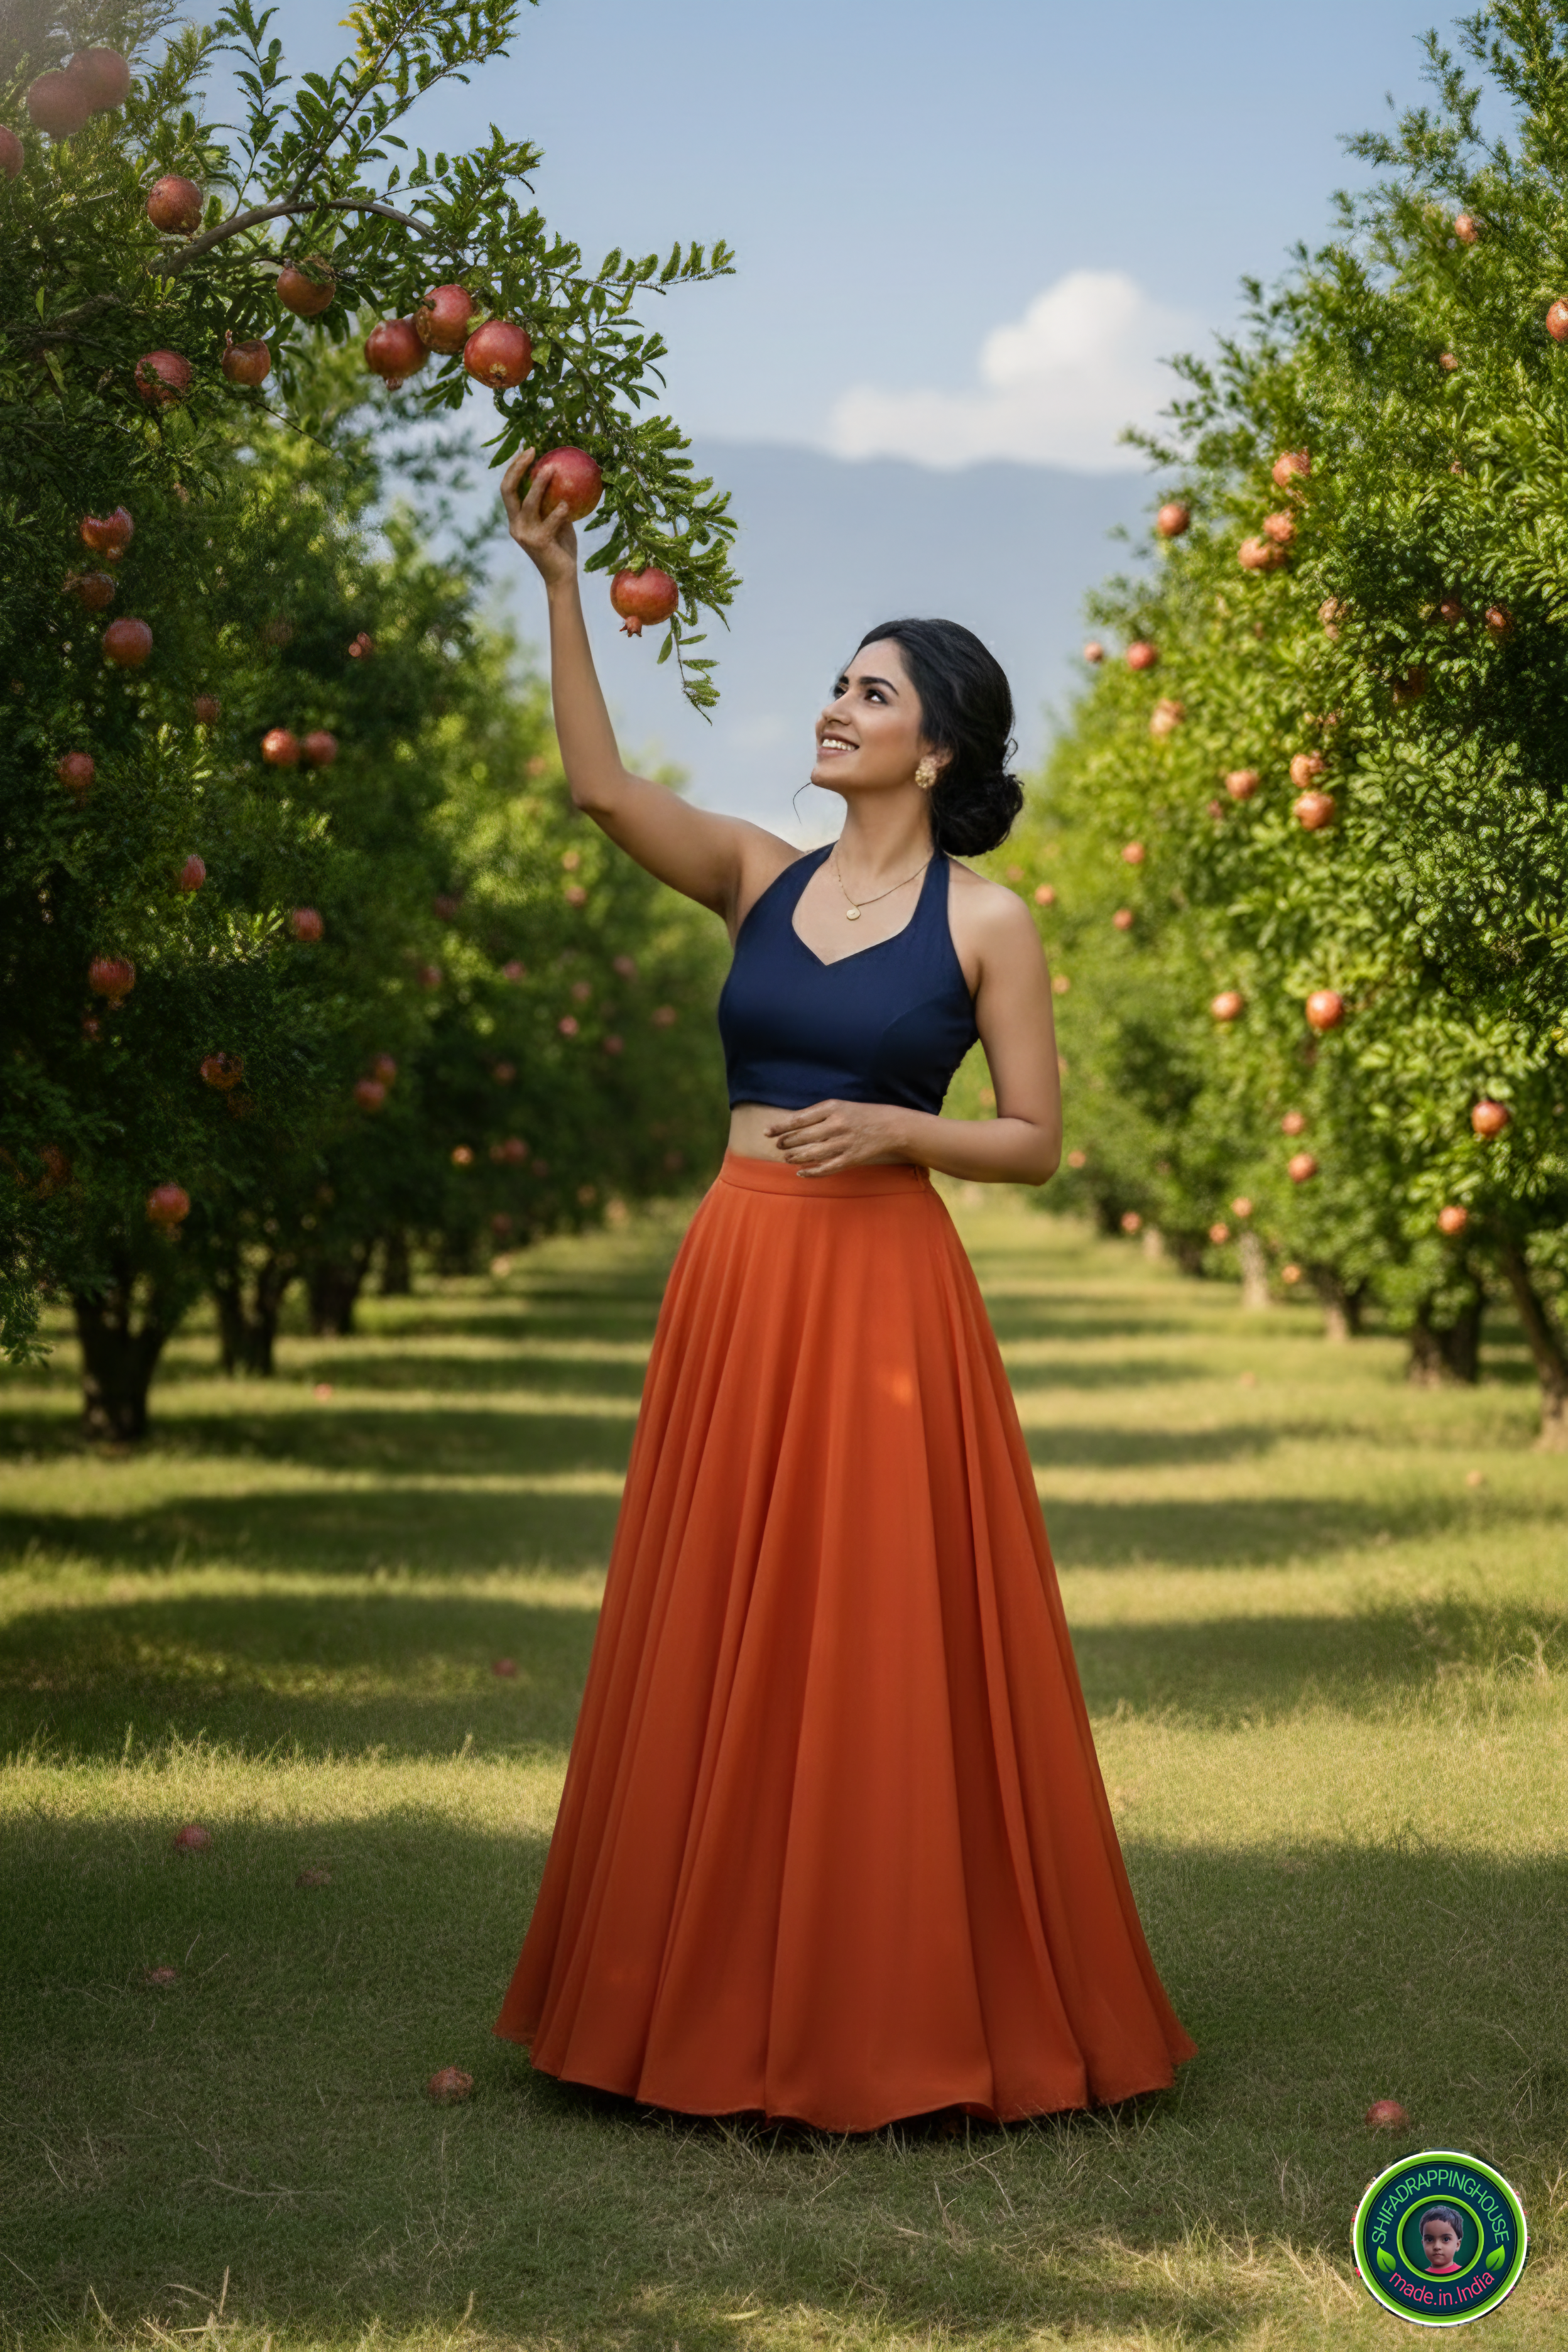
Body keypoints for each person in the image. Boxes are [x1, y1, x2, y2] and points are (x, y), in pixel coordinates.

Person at [492, 449, 1195, 2132]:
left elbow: (1033, 1142)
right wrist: (561, 585)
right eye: (833, 686)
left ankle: (894, 2015)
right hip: (740, 1268)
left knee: (879, 1639)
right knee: (717, 1624)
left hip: (887, 1293)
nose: (833, 709)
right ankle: (692, 2008)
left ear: (934, 746)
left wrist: (896, 1125)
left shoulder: (992, 924)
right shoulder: (755, 872)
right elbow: (599, 793)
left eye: (867, 694)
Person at [1419, 2209, 1466, 2276]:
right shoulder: (1418, 2278)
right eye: (1430, 2240)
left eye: (1446, 2239)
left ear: (1458, 2245)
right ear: (1423, 2244)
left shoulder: (1466, 2275)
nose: (1437, 2247)